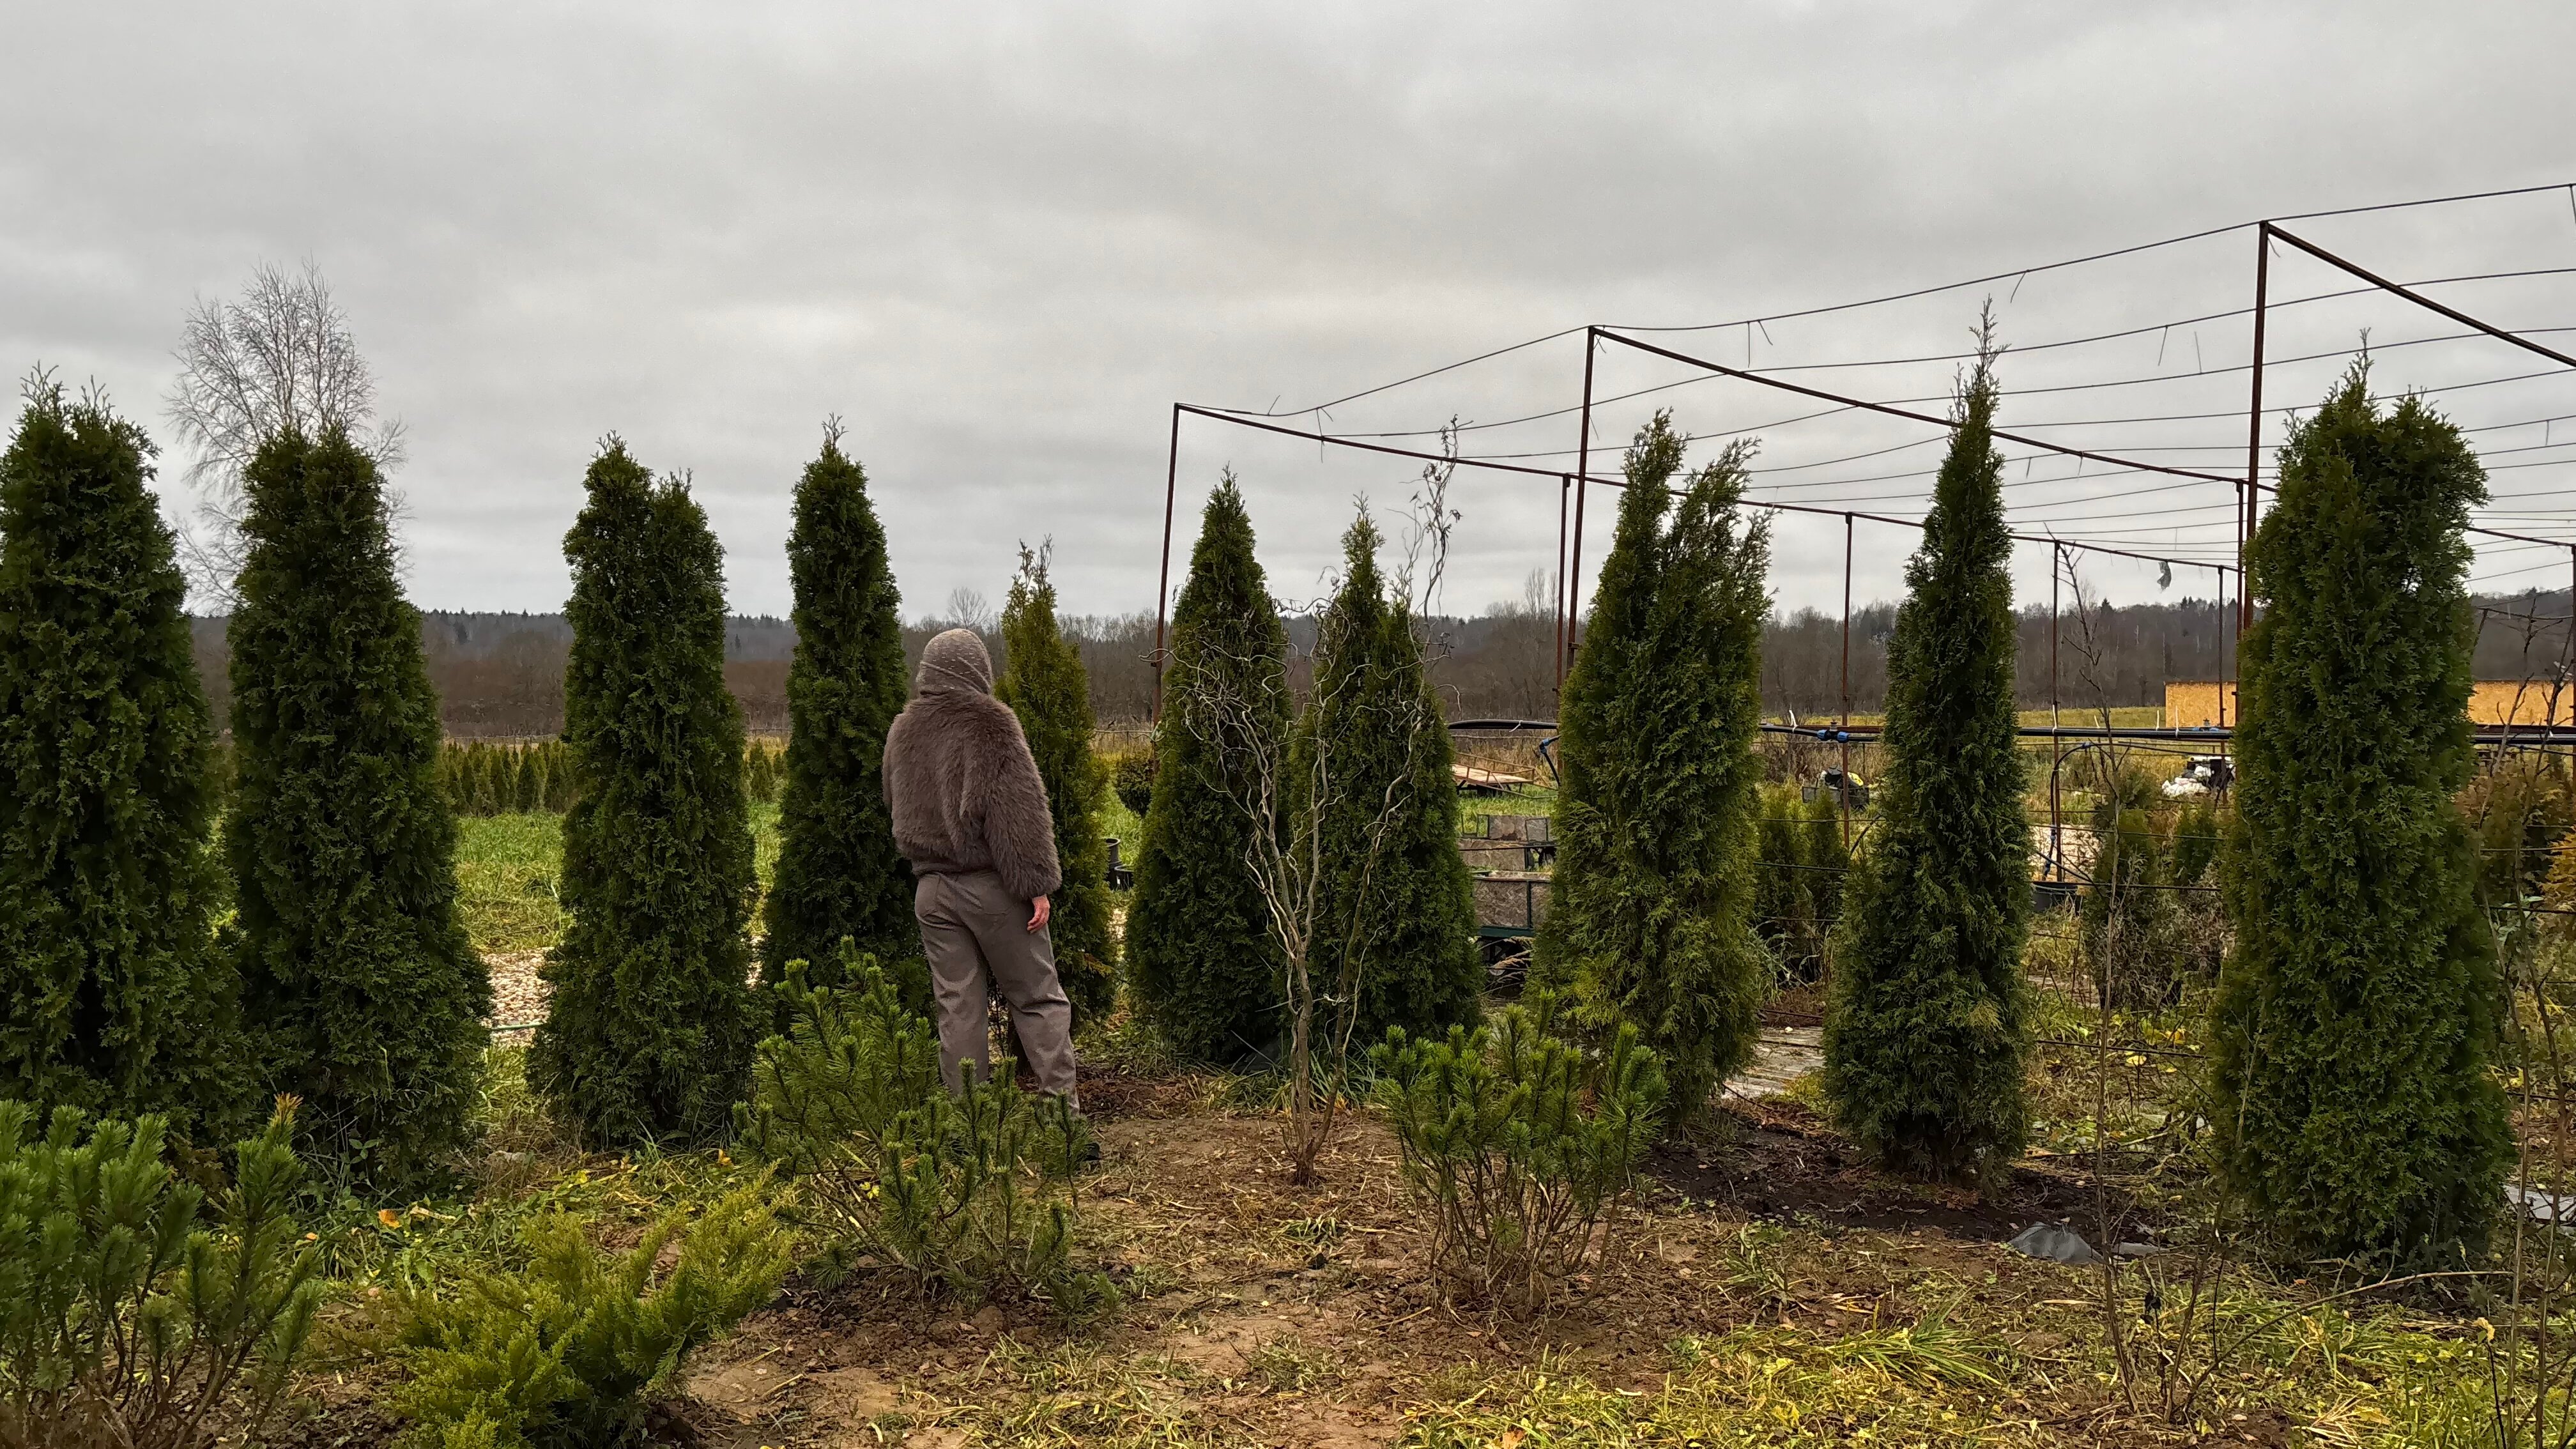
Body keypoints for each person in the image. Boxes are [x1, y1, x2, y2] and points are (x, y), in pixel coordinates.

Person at [883, 627, 1079, 1106]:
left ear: (928, 671)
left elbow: (893, 803)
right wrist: (1036, 884)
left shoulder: (902, 729)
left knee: (958, 1008)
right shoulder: (991, 724)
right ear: (978, 671)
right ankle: (1064, 1126)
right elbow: (1019, 810)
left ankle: (966, 1127)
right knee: (1037, 999)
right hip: (992, 889)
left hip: (931, 891)